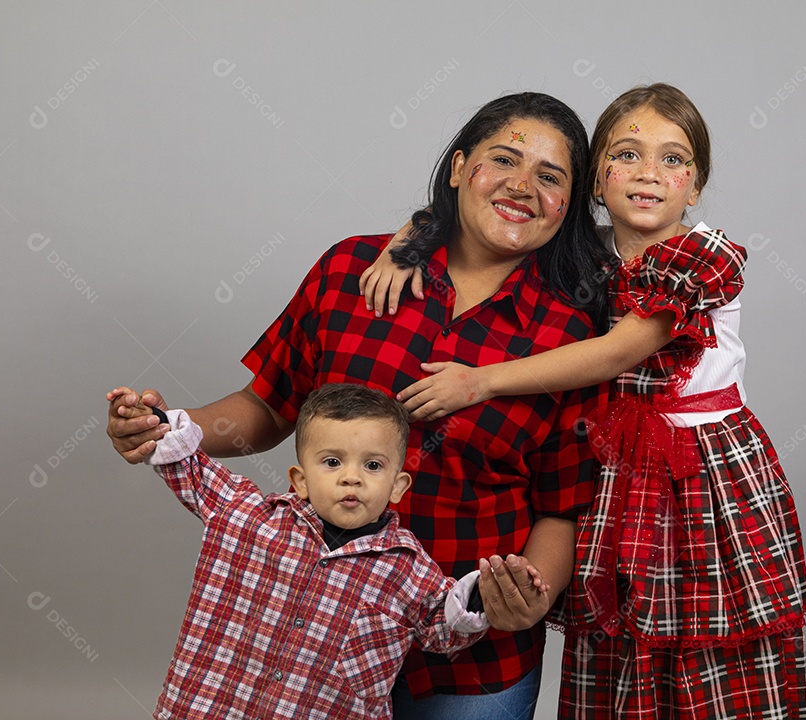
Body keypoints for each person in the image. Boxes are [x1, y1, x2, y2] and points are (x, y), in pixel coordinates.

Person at [107, 91, 611, 720]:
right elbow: (268, 405)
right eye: (503, 160)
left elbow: (562, 505)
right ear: (458, 169)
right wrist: (169, 430)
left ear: (570, 204)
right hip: (315, 648)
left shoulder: (575, 340)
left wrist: (529, 596)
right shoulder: (351, 271)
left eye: (550, 176)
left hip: (473, 660)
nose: (522, 186)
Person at [362, 84, 806, 719]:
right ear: (595, 179)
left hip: (701, 474)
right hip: (616, 471)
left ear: (698, 185)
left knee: (705, 637)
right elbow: (481, 209)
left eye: (674, 160)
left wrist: (481, 380)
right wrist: (408, 240)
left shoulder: (704, 257)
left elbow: (618, 352)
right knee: (620, 638)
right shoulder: (588, 254)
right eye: (626, 155)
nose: (649, 174)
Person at [115, 382, 514, 719]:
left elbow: (445, 628)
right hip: (206, 707)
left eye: (373, 466)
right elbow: (190, 468)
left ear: (398, 485)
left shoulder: (408, 569)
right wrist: (153, 422)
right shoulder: (246, 515)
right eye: (332, 462)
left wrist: (484, 593)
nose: (351, 478)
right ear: (300, 479)